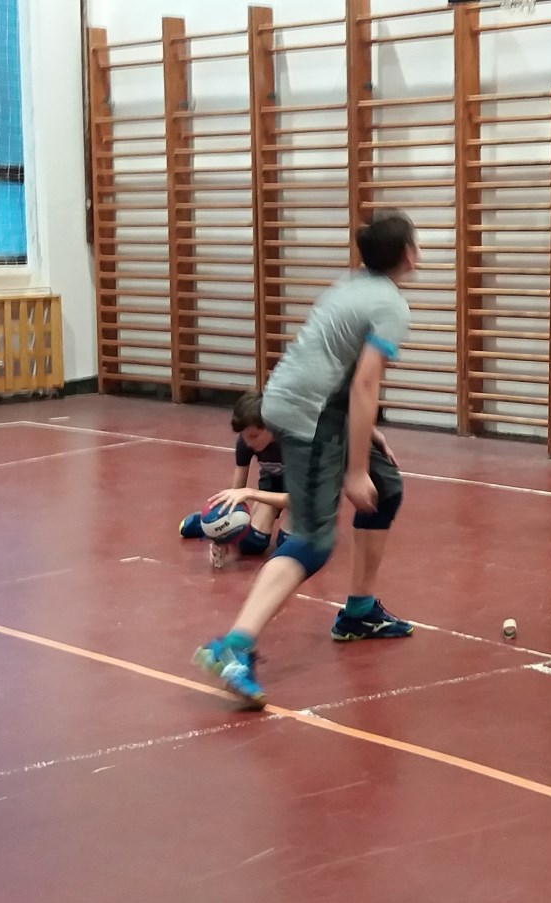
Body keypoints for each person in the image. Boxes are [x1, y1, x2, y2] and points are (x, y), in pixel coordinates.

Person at [191, 211, 418, 706]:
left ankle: (359, 611)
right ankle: (233, 647)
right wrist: (354, 470)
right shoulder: (391, 306)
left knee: (387, 489)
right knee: (313, 541)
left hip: (307, 401)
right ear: (408, 254)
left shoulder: (350, 285)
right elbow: (364, 384)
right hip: (309, 416)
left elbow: (333, 365)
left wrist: (366, 437)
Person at [179, 391, 290, 568]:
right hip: (273, 485)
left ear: (271, 426)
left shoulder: (296, 443)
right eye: (244, 437)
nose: (248, 443)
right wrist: (222, 531)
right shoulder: (245, 441)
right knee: (252, 544)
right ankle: (204, 523)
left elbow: (301, 499)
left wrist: (250, 493)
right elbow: (235, 494)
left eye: (253, 436)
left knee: (289, 545)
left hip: (306, 494)